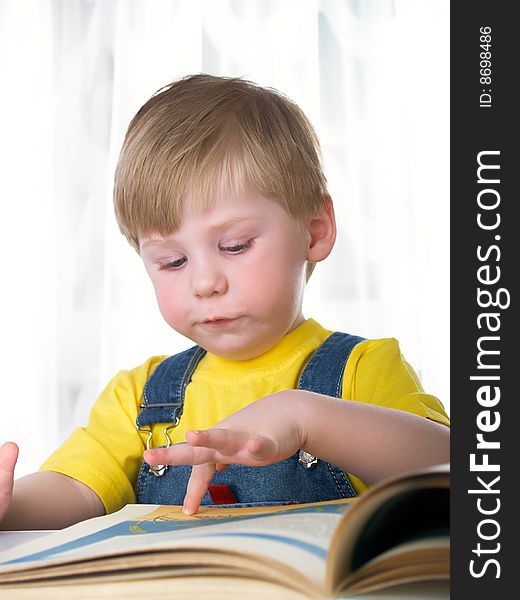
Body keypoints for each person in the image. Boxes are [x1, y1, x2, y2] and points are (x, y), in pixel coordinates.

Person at [0, 74, 449, 530]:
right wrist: (10, 508)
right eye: (172, 261)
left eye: (234, 246)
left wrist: (306, 415)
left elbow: (455, 477)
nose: (205, 282)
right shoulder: (138, 398)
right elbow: (73, 488)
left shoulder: (363, 370)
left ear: (314, 230)